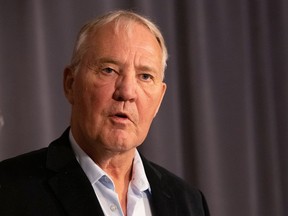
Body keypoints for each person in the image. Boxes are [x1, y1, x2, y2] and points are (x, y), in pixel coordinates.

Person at [0, 10, 209, 216]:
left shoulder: (189, 203)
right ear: (70, 84)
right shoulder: (9, 190)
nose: (127, 92)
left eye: (145, 76)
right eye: (109, 70)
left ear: (159, 100)